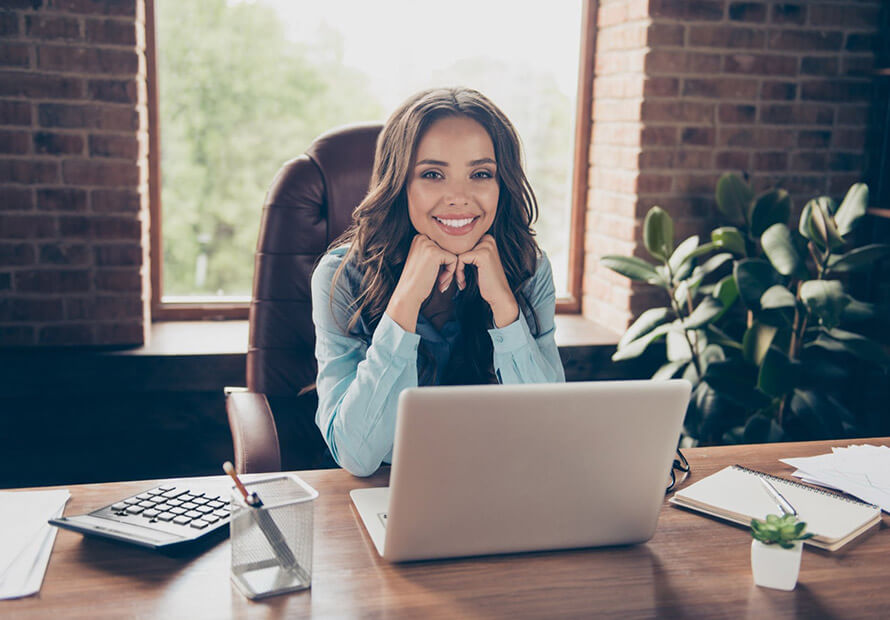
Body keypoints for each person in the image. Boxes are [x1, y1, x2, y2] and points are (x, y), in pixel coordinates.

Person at [311, 87, 565, 477]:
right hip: (389, 492)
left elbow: (552, 435)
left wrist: (505, 308)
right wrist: (404, 304)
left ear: (502, 184)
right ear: (400, 184)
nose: (459, 198)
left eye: (480, 174)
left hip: (500, 486)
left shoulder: (529, 269)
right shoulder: (342, 275)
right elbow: (357, 455)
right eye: (433, 174)